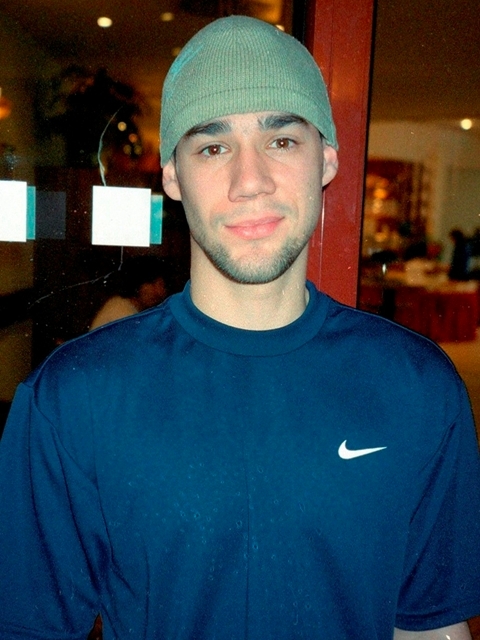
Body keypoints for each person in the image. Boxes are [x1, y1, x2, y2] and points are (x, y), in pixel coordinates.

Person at [0, 15, 479, 640]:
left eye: (281, 140)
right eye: (213, 147)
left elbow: (431, 627)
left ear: (326, 159)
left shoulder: (418, 386)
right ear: (173, 176)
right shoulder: (73, 396)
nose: (250, 180)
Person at [89, 255, 167, 330]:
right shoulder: (120, 310)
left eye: (161, 285)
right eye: (152, 283)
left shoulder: (130, 308)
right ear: (136, 283)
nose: (159, 291)